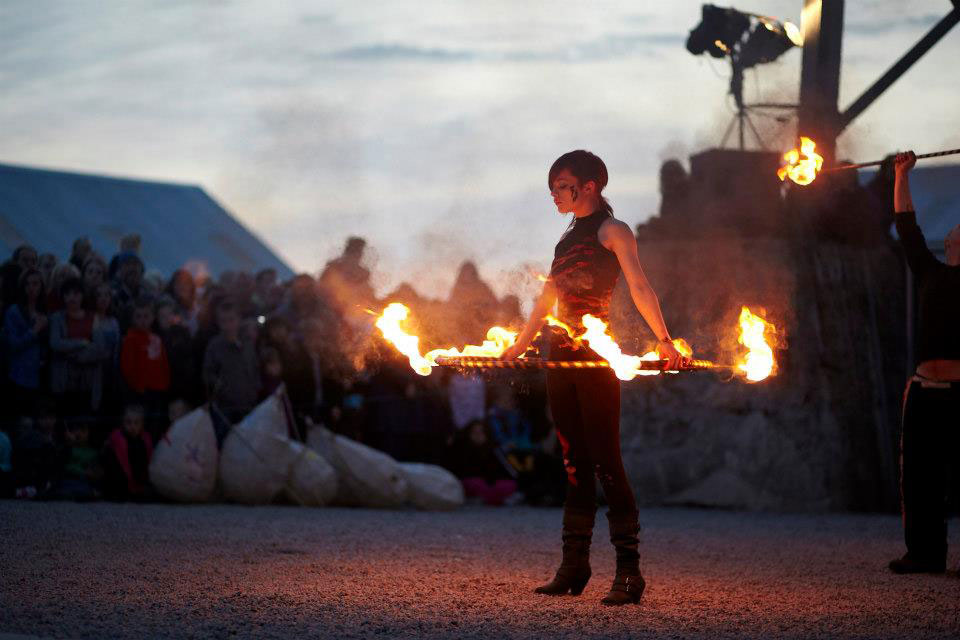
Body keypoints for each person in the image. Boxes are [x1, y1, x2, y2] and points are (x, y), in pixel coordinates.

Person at [500, 150, 685, 605]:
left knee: (606, 460)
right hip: (559, 358)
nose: (554, 195)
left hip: (594, 356)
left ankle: (629, 571)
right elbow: (547, 300)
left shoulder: (612, 231)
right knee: (572, 461)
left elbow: (639, 286)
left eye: (560, 187)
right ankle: (574, 566)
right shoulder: (564, 242)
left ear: (589, 186)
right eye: (551, 188)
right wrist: (520, 345)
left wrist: (664, 340)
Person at [888, 151, 960, 575]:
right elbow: (907, 224)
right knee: (919, 475)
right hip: (924, 391)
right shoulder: (930, 272)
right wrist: (902, 175)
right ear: (948, 242)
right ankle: (925, 553)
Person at [202, 300, 260, 424]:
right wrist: (221, 386)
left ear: (239, 319)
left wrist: (255, 388)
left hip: (249, 404)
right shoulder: (214, 346)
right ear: (218, 322)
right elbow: (208, 373)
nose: (228, 325)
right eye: (223, 321)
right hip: (226, 408)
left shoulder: (247, 342)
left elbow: (254, 367)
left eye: (231, 320)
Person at [119, 297, 170, 439]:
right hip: (140, 392)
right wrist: (137, 387)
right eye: (138, 316)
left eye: (146, 316)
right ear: (133, 319)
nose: (142, 320)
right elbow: (127, 367)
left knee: (156, 425)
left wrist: (165, 384)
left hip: (158, 390)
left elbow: (163, 363)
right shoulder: (130, 339)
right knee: (141, 427)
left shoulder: (156, 338)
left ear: (153, 317)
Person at [3, 269, 48, 421]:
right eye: (27, 284)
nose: (31, 288)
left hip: (39, 376)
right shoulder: (14, 312)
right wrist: (34, 331)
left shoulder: (44, 311)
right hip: (19, 376)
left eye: (35, 284)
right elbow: (14, 344)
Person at [102, 403, 153, 501]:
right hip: (120, 479)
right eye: (128, 422)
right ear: (123, 422)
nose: (132, 426)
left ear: (142, 424)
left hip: (139, 479)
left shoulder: (145, 439)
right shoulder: (117, 438)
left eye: (136, 423)